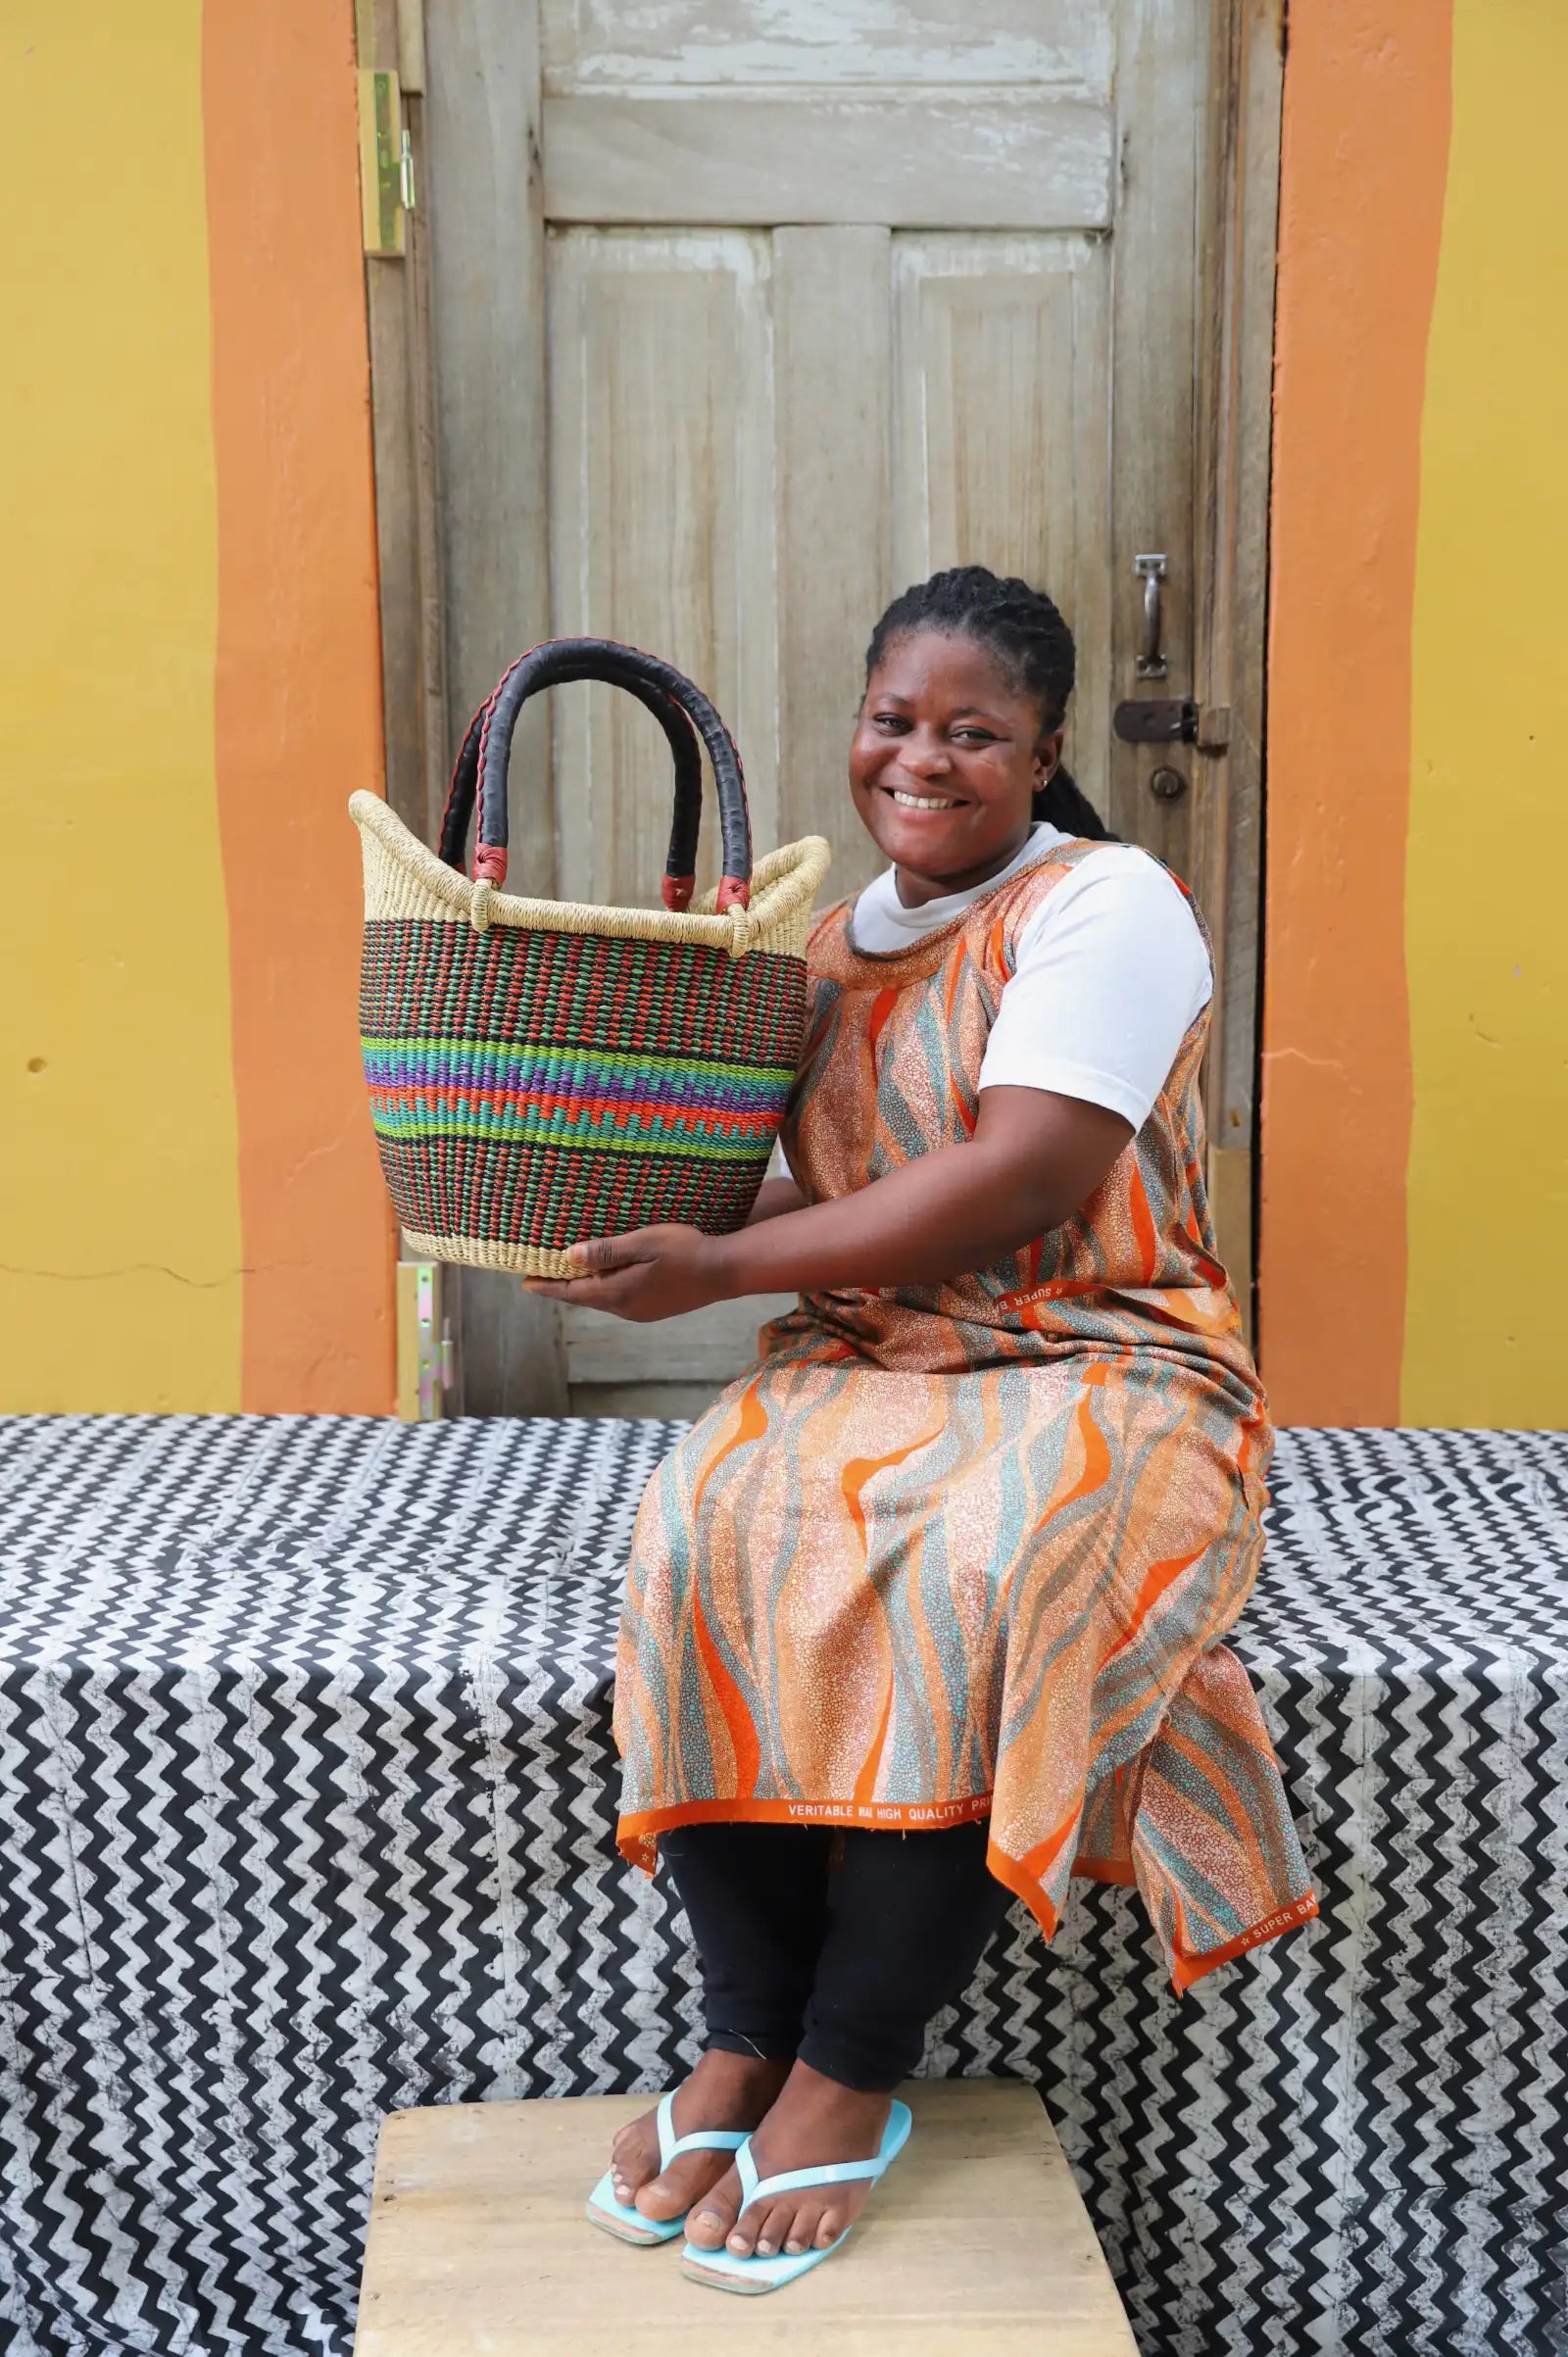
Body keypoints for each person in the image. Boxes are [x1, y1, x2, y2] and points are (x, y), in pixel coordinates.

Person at [528, 565, 1316, 2294]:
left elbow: (1023, 1172)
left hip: (1104, 1358)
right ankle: (742, 2032)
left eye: (976, 732)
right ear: (857, 725)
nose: (925, 758)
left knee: (984, 1559)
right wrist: (544, 1124)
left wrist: (721, 1266)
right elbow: (704, 1140)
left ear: (1040, 756)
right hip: (870, 1352)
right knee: (709, 1527)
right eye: (897, 721)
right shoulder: (820, 943)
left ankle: (849, 2064)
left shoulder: (1108, 902)